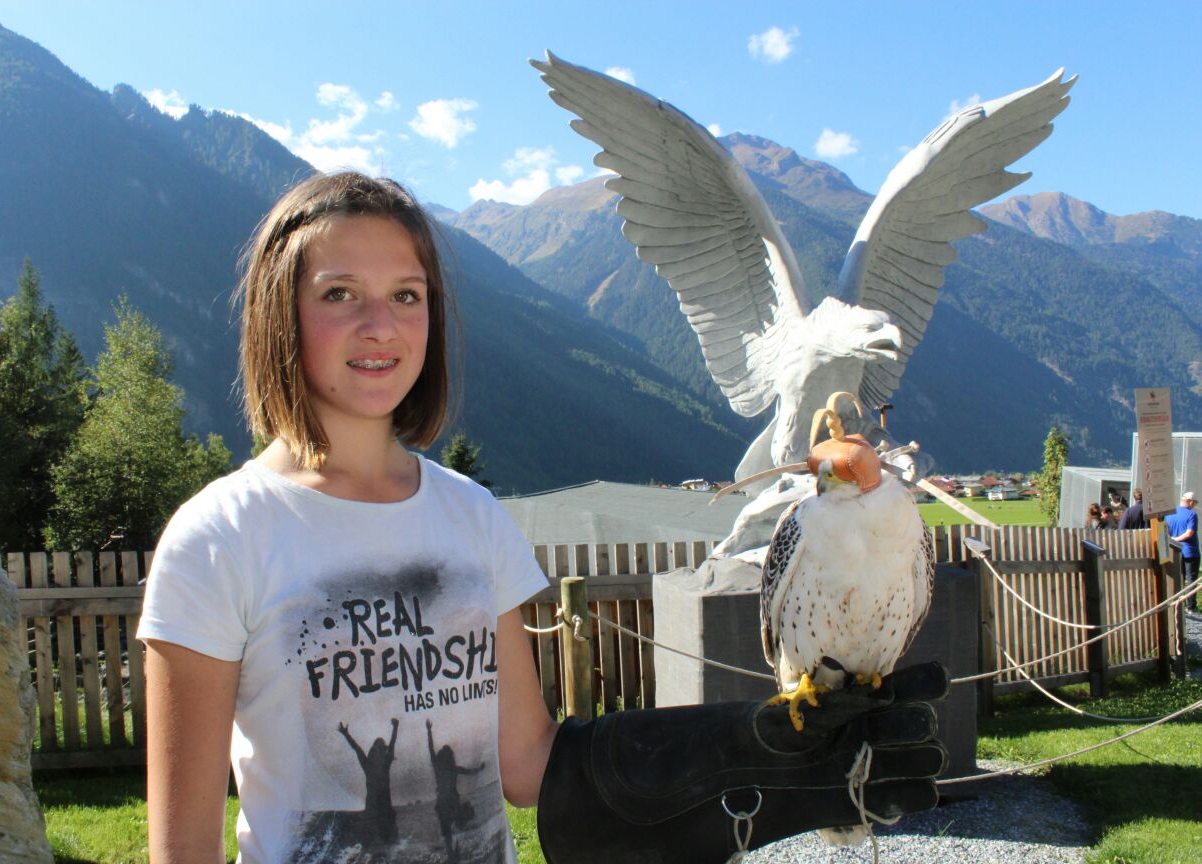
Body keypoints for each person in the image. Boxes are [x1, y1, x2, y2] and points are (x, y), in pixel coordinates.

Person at [138, 171, 945, 864]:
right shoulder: (218, 540)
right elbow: (182, 848)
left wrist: (748, 748)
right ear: (280, 314)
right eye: (339, 293)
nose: (379, 324)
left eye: (407, 294)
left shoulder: (471, 517)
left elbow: (528, 764)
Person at [1166, 491, 1200, 612]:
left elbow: (1165, 531)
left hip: (1174, 551)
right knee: (1191, 579)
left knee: (1178, 577)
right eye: (1194, 503)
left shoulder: (1169, 513)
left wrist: (1172, 540)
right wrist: (1177, 539)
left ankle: (1177, 604)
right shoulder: (1192, 514)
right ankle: (1190, 606)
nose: (1194, 506)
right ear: (1190, 502)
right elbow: (1189, 533)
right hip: (1190, 552)